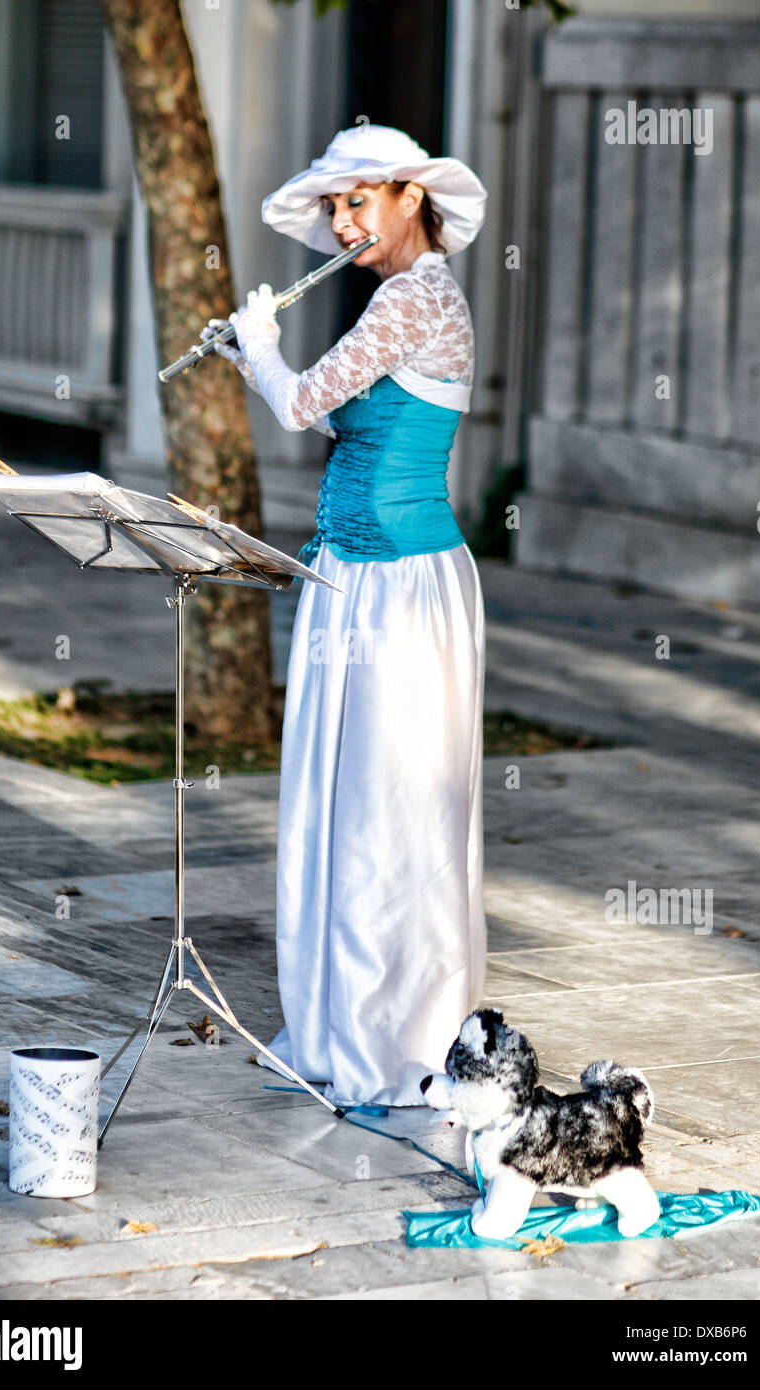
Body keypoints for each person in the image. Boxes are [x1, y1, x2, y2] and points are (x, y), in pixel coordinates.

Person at [208, 124, 488, 1107]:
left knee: (389, 812)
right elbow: (338, 413)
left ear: (411, 197)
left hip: (403, 588)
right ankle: (340, 1023)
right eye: (332, 207)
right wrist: (259, 360)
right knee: (344, 802)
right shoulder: (394, 300)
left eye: (357, 200)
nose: (341, 221)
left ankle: (397, 1041)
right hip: (354, 581)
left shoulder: (415, 295)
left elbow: (299, 405)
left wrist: (263, 351)